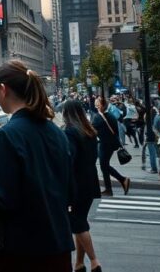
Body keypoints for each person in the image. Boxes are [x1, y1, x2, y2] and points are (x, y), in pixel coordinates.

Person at [0, 60, 73, 271]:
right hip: (58, 247)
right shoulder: (57, 132)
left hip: (20, 251)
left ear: (3, 89)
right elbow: (69, 191)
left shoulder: (8, 135)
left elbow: (4, 200)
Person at [62, 100, 103, 272]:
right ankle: (79, 263)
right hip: (90, 180)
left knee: (76, 222)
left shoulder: (71, 132)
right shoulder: (90, 131)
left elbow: (69, 158)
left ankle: (94, 261)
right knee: (81, 220)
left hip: (77, 182)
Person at [91, 96, 130, 196]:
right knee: (104, 166)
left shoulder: (98, 117)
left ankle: (122, 180)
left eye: (98, 101)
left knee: (104, 165)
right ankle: (109, 189)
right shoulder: (110, 115)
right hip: (110, 144)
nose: (96, 102)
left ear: (101, 105)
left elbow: (91, 130)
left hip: (105, 144)